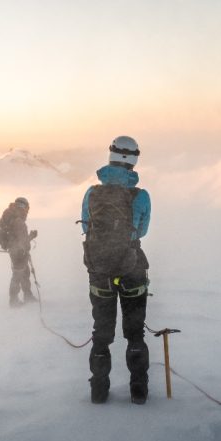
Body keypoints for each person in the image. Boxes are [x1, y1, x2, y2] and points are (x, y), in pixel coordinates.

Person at [80, 136, 151, 404]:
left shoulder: (91, 193)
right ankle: (138, 389)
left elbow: (87, 227)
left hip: (99, 270)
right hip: (132, 268)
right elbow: (141, 230)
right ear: (134, 159)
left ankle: (99, 390)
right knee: (135, 334)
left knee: (102, 333)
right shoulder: (141, 196)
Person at [0, 197, 38, 307]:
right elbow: (22, 240)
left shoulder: (10, 216)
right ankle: (14, 300)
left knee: (24, 273)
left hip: (14, 249)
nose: (27, 211)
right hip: (19, 251)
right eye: (27, 208)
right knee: (18, 274)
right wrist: (31, 237)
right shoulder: (18, 220)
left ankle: (26, 295)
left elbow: (18, 238)